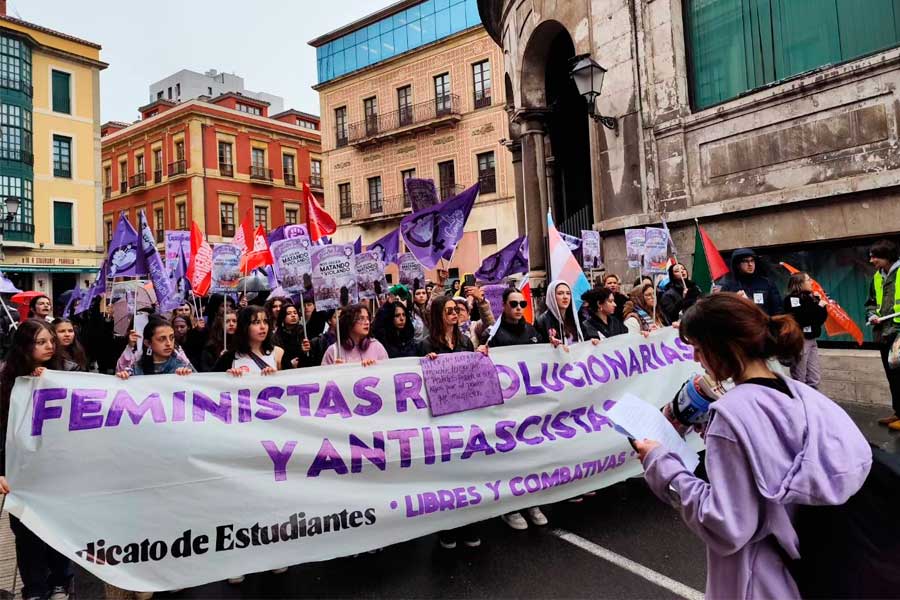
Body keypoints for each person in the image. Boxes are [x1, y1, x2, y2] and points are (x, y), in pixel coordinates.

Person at [635, 293, 871, 600]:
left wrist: (659, 463)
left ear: (721, 346)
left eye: (697, 348)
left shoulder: (730, 417)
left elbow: (727, 524)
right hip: (813, 570)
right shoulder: (799, 393)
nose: (695, 359)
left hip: (756, 582)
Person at [0, 320, 73, 600]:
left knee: (59, 528)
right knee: (27, 534)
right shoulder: (6, 381)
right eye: (41, 342)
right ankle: (35, 588)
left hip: (58, 468)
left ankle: (60, 582)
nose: (49, 346)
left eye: (50, 341)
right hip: (21, 471)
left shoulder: (66, 372)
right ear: (24, 346)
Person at [419, 296, 485, 549]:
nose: (454, 314)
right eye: (448, 311)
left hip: (465, 415)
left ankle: (469, 525)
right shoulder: (426, 344)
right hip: (441, 420)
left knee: (469, 473)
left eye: (456, 310)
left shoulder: (465, 341)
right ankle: (447, 528)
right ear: (438, 315)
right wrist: (427, 364)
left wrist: (479, 355)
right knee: (447, 477)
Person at [485, 288, 547, 529]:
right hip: (508, 406)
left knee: (531, 454)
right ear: (504, 306)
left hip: (530, 403)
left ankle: (532, 501)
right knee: (512, 456)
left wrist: (552, 347)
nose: (519, 308)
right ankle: (511, 507)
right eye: (514, 304)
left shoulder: (532, 331)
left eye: (522, 303)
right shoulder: (495, 335)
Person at [865, 239, 900, 428]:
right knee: (892, 376)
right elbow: (871, 302)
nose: (871, 260)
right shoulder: (877, 277)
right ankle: (898, 412)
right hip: (884, 334)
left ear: (887, 256)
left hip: (899, 333)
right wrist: (872, 315)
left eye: (875, 256)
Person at [783, 272, 828, 389]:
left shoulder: (811, 297)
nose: (811, 282)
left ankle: (813, 401)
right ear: (799, 283)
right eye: (808, 280)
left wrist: (821, 304)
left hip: (812, 338)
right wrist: (818, 307)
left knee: (814, 376)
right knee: (800, 375)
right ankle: (799, 402)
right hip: (800, 339)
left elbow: (820, 319)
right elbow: (802, 318)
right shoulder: (791, 300)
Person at [215, 306, 284, 379]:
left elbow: (291, 382)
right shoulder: (228, 357)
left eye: (265, 322)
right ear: (245, 326)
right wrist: (226, 378)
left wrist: (277, 376)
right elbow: (210, 383)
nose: (263, 326)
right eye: (256, 322)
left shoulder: (278, 353)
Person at [116, 317, 194, 378]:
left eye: (171, 337)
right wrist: (123, 377)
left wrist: (187, 376)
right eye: (161, 339)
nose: (168, 343)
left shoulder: (181, 365)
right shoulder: (136, 368)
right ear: (148, 343)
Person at [719, 248, 782, 316]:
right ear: (737, 264)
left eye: (752, 260)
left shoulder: (766, 283)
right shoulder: (728, 286)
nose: (750, 264)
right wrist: (734, 301)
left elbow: (778, 310)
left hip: (763, 324)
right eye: (745, 261)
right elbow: (723, 312)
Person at [322, 303, 389, 366]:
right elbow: (324, 376)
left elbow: (387, 371)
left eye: (368, 318)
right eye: (361, 318)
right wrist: (333, 371)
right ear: (349, 322)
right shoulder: (334, 351)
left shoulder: (377, 347)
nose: (367, 322)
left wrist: (374, 368)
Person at [276, 303, 314, 368]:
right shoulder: (277, 336)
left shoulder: (304, 331)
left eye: (295, 313)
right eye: (289, 313)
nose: (293, 315)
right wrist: (290, 363)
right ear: (283, 317)